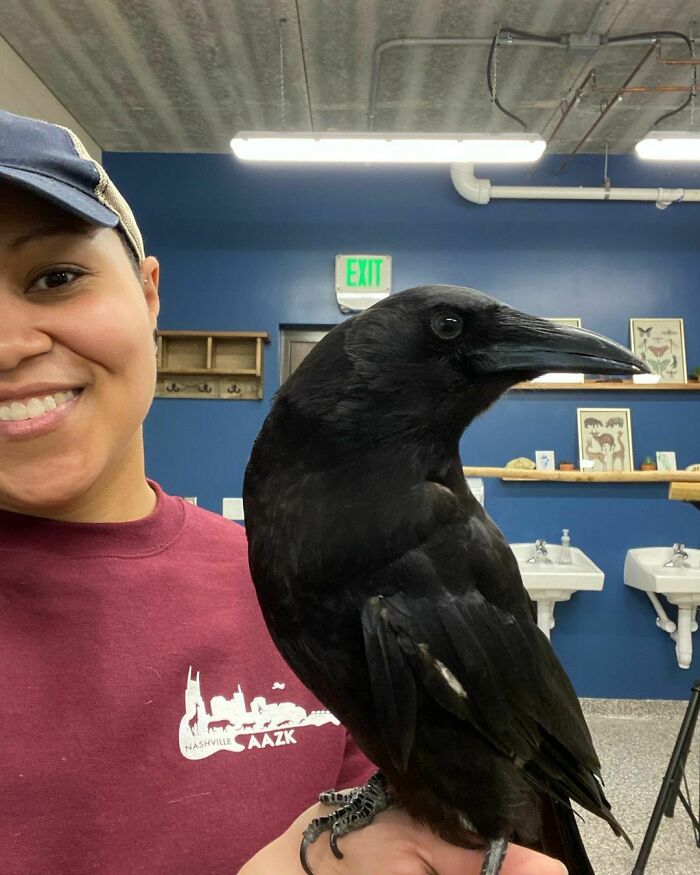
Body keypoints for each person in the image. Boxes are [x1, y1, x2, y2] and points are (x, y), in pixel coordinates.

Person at [0, 108, 565, 874]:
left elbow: (409, 811)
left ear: (148, 291)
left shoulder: (281, 566)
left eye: (56, 276)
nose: (7, 344)